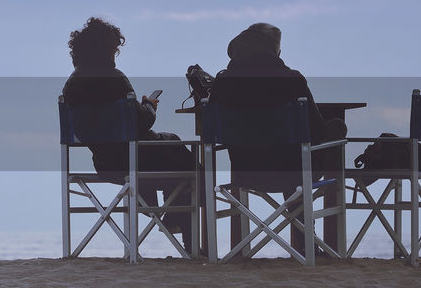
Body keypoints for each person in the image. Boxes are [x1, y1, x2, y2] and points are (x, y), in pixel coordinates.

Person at [62, 17, 194, 238]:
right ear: (107, 50)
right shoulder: (114, 79)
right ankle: (177, 223)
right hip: (138, 160)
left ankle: (150, 200)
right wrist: (148, 106)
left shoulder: (71, 85)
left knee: (172, 153)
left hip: (105, 164)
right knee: (184, 157)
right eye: (114, 49)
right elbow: (140, 122)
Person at [207, 22, 346, 192]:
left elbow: (212, 125)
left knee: (290, 149)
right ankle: (306, 211)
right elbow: (317, 131)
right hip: (294, 175)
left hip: (245, 174)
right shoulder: (292, 80)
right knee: (335, 127)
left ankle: (298, 215)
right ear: (274, 52)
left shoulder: (222, 83)